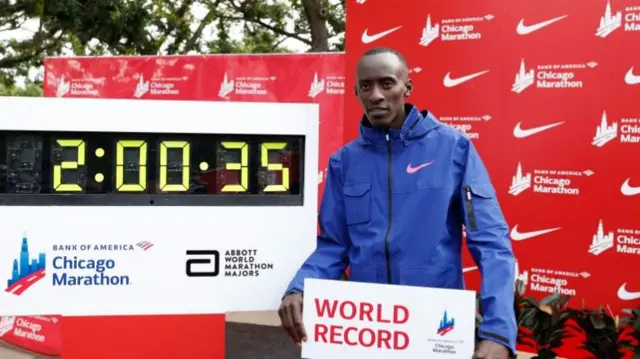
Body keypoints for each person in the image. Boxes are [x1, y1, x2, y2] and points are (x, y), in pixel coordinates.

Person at [278, 47, 517, 359]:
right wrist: (299, 288)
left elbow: (491, 242)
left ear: (407, 87)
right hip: (369, 329)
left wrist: (498, 331)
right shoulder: (344, 162)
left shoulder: (454, 148)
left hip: (436, 328)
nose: (376, 95)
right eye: (366, 86)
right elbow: (334, 245)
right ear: (356, 92)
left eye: (387, 83)